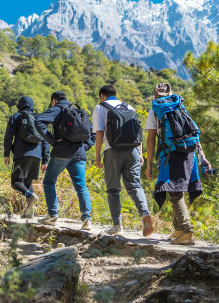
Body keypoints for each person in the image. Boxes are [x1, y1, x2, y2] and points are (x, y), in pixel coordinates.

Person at [144, 83, 205, 245]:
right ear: (171, 93)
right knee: (178, 190)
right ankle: (178, 230)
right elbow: (195, 133)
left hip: (170, 154)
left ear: (156, 95)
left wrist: (148, 164)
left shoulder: (154, 112)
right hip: (188, 153)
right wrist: (202, 157)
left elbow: (150, 140)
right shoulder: (180, 107)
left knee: (174, 193)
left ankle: (187, 231)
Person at [93, 85, 153, 236]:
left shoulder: (100, 108)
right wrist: (140, 153)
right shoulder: (129, 107)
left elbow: (99, 133)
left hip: (112, 151)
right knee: (134, 185)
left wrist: (97, 154)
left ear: (102, 96)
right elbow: (137, 131)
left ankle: (117, 226)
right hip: (132, 151)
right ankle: (144, 213)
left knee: (113, 189)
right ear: (115, 94)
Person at [36, 91, 95, 230]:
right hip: (79, 153)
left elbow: (38, 121)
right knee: (81, 185)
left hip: (62, 152)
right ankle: (87, 219)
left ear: (54, 100)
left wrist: (53, 141)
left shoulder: (57, 109)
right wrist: (84, 146)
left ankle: (52, 215)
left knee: (49, 181)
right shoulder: (77, 110)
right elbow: (92, 131)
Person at [4, 96, 49, 218]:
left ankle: (30, 196)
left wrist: (6, 154)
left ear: (20, 105)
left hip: (21, 154)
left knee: (16, 182)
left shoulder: (16, 116)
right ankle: (30, 213)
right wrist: (45, 159)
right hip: (37, 155)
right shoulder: (39, 118)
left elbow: (9, 136)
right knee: (27, 184)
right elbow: (45, 140)